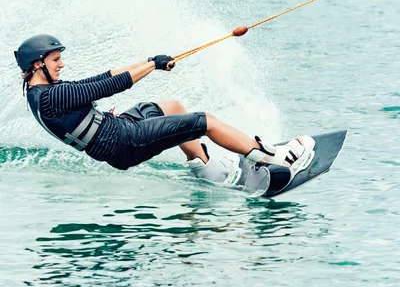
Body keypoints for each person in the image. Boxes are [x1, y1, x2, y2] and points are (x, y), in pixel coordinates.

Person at [14, 34, 315, 187]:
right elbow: (113, 86)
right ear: (38, 64)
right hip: (124, 141)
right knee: (205, 122)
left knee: (170, 106)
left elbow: (102, 77)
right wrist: (153, 67)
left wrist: (148, 60)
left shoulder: (39, 93)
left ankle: (207, 170)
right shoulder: (54, 97)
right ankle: (274, 157)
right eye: (55, 60)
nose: (61, 64)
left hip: (116, 131)